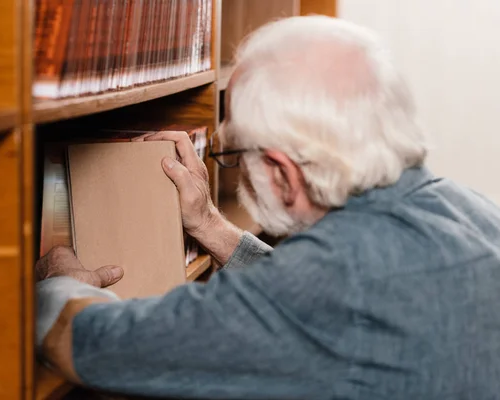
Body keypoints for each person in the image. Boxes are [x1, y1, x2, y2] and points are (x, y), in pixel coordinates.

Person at [36, 16, 500, 399]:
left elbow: (107, 348)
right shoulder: (469, 211)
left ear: (282, 172)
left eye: (236, 158)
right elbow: (327, 304)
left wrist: (60, 284)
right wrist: (211, 226)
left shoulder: (332, 283)